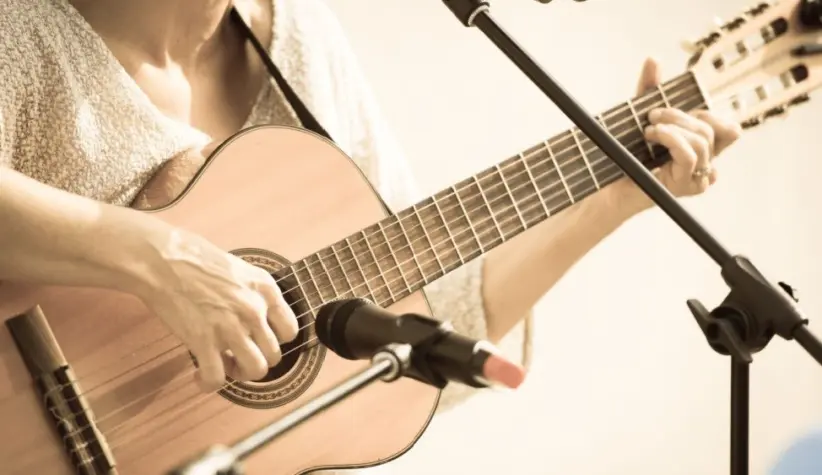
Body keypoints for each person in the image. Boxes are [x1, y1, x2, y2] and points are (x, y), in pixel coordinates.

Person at [0, 0, 741, 470]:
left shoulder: (304, 39)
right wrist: (157, 256)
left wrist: (609, 199)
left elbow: (417, 335)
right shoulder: (23, 31)